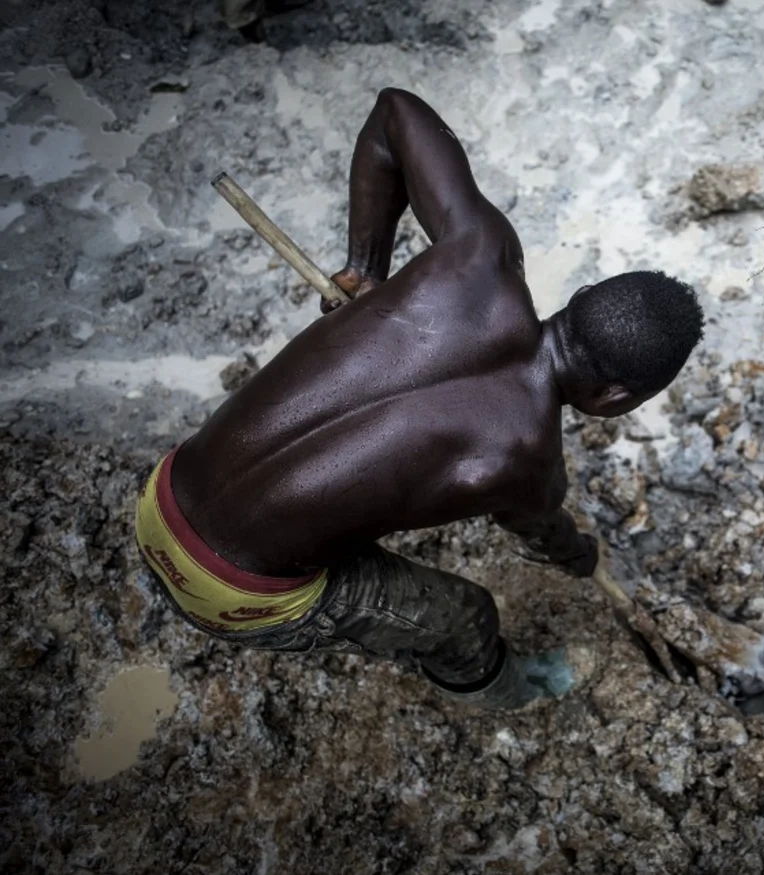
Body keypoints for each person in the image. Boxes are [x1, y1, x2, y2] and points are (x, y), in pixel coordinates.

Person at [135, 88, 704, 710]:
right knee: (466, 616)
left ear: (583, 294)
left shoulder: (480, 253)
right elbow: (548, 536)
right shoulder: (529, 461)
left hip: (161, 493)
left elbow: (394, 113)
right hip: (230, 596)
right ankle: (508, 695)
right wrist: (580, 555)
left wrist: (366, 267)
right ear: (616, 397)